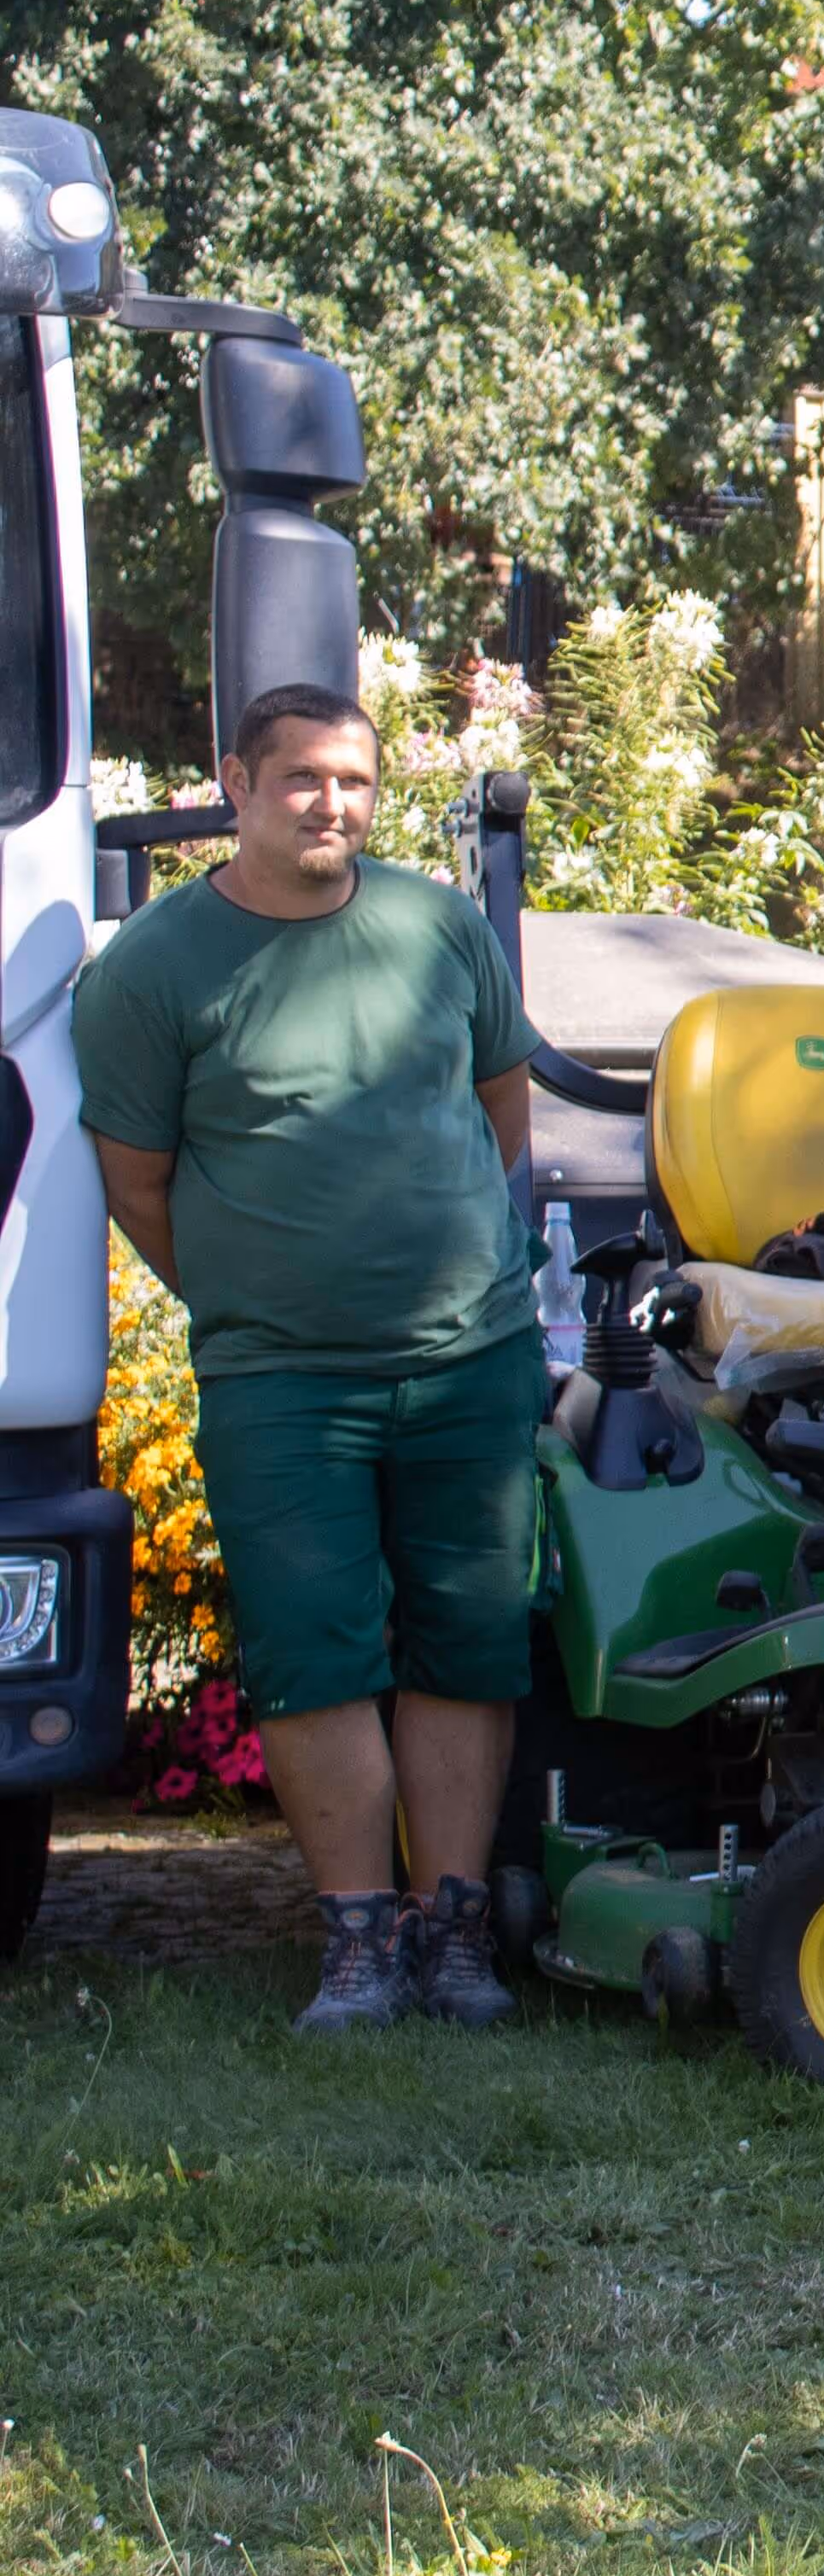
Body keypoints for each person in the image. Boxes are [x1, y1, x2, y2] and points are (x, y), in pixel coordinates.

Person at [77, 684, 546, 2037]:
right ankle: (357, 1943)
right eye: (302, 781)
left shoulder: (438, 929)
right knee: (313, 1652)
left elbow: (497, 1110)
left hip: (469, 1359)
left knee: (467, 1645)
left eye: (354, 779)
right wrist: (267, 1295)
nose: (331, 804)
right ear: (236, 782)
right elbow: (140, 1181)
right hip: (282, 1383)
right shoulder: (156, 968)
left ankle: (453, 1935)